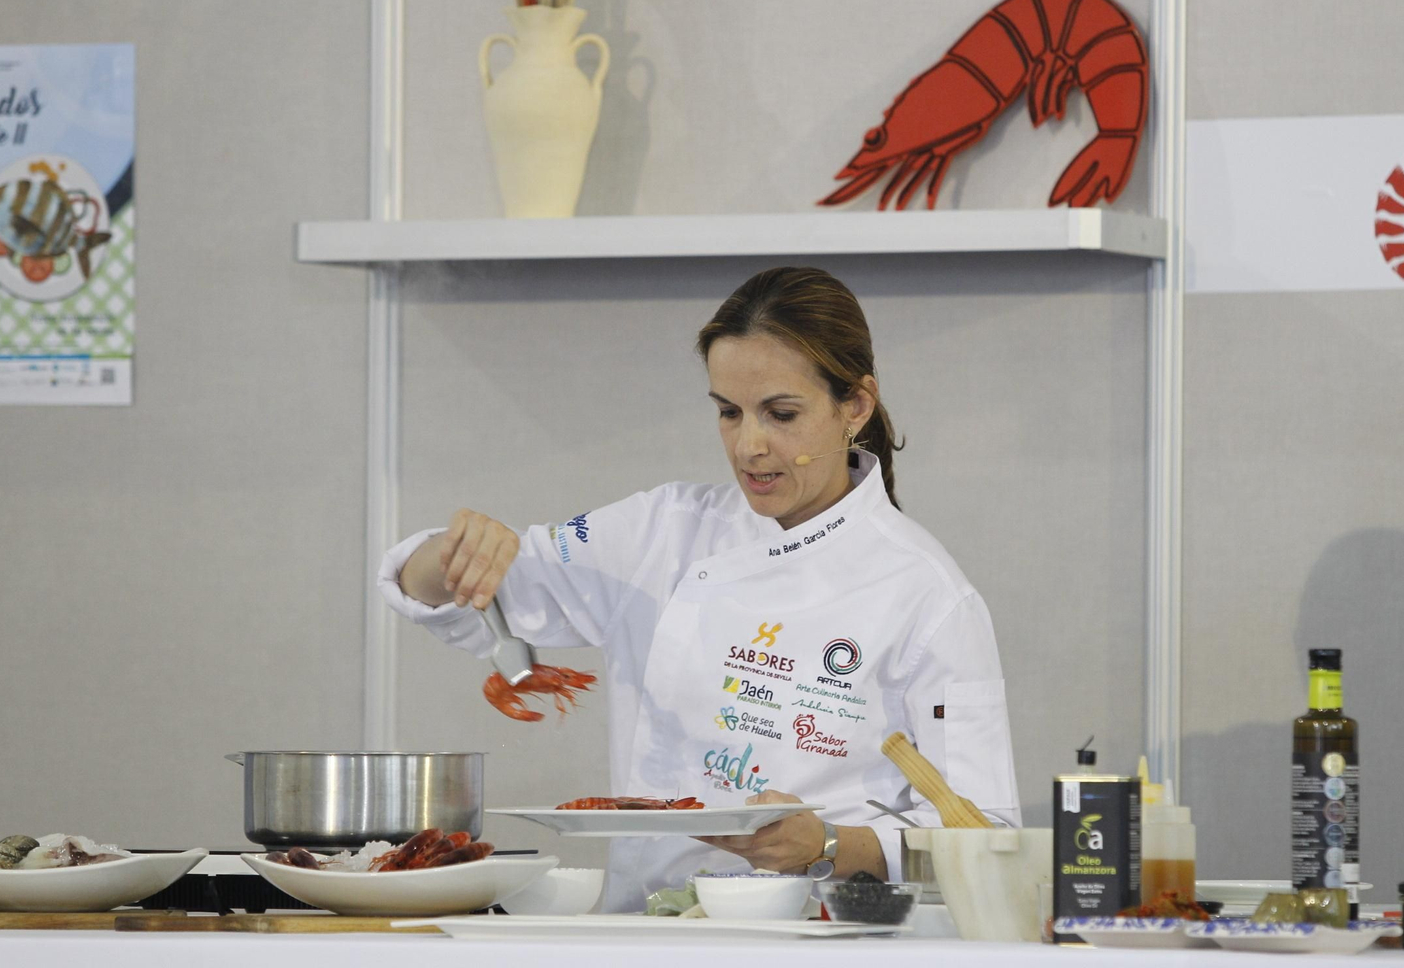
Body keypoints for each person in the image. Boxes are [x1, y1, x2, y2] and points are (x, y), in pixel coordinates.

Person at [378, 266, 1020, 912]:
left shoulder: (925, 593)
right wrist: (455, 551)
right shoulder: (660, 530)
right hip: (644, 929)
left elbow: (986, 834)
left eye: (782, 413)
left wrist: (826, 844)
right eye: (728, 412)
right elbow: (449, 593)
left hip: (818, 939)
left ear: (855, 404)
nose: (749, 444)